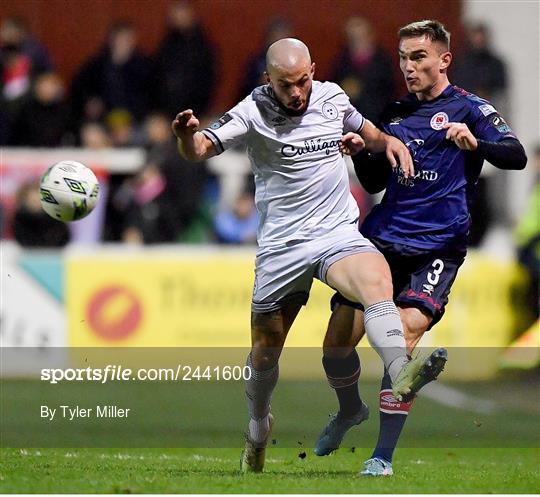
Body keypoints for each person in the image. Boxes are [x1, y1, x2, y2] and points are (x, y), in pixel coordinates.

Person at [172, 37, 441, 473]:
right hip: (282, 248)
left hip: (336, 233)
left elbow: (365, 129)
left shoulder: (332, 97)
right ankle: (259, 425)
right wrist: (186, 137)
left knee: (376, 279)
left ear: (313, 71)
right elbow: (200, 149)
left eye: (302, 82)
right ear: (268, 80)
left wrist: (384, 142)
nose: (296, 93)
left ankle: (401, 370)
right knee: (264, 354)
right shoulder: (252, 110)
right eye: (285, 86)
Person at [314, 20, 527, 476]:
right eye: (403, 58)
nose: (408, 67)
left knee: (406, 338)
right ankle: (349, 410)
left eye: (419, 58)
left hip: (439, 246)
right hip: (382, 241)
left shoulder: (472, 109)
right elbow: (375, 181)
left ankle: (381, 458)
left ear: (444, 60)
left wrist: (478, 143)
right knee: (336, 346)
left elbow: (516, 153)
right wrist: (360, 153)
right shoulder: (393, 112)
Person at [330, 17, 395, 123]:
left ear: (370, 37)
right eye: (353, 38)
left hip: (378, 118)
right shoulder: (341, 62)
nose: (357, 42)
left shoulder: (383, 61)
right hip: (349, 120)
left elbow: (390, 91)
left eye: (361, 37)